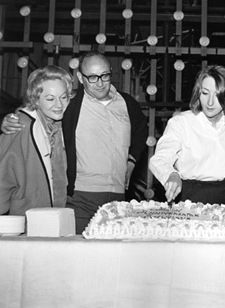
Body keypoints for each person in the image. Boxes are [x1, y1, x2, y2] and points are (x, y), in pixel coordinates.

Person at [1, 51, 148, 233]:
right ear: (80, 77)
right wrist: (11, 118)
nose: (100, 83)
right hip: (79, 198)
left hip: (118, 198)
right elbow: (39, 108)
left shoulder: (127, 103)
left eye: (105, 75)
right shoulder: (72, 104)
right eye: (92, 77)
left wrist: (131, 160)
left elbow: (141, 129)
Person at [149, 65, 225, 205]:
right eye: (205, 93)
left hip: (223, 196)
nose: (210, 102)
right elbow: (159, 160)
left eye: (217, 95)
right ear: (198, 93)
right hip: (188, 195)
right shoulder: (181, 123)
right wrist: (172, 175)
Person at [0, 65, 73, 215]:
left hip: (55, 216)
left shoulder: (59, 126)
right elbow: (3, 178)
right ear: (36, 100)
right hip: (26, 219)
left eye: (64, 97)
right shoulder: (20, 125)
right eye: (50, 99)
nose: (59, 105)